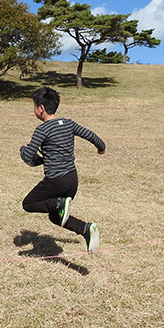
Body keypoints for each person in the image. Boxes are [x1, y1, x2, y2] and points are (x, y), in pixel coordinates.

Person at [20, 87, 106, 253]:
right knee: (55, 216)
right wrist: (101, 148)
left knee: (28, 203)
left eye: (34, 106)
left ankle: (58, 203)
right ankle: (85, 229)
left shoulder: (42, 130)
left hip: (56, 181)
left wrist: (23, 150)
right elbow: (92, 136)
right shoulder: (69, 123)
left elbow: (29, 157)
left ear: (41, 108)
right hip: (72, 179)